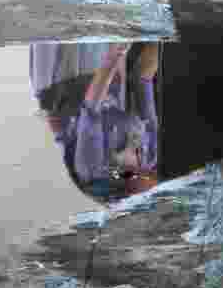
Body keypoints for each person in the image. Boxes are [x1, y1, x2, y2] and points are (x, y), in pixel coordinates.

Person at [30, 41, 160, 202]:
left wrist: (115, 54)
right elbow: (142, 79)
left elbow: (91, 108)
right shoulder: (150, 155)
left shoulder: (94, 170)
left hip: (61, 81)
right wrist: (159, 41)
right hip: (106, 75)